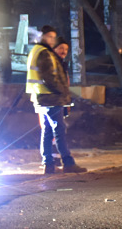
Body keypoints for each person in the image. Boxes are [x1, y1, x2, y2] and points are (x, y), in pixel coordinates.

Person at [25, 26, 86, 174]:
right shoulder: (45, 53)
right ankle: (68, 162)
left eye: (53, 37)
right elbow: (50, 78)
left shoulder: (35, 51)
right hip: (51, 98)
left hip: (42, 97)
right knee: (59, 129)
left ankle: (49, 164)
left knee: (47, 131)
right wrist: (63, 92)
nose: (52, 40)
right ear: (42, 36)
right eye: (49, 37)